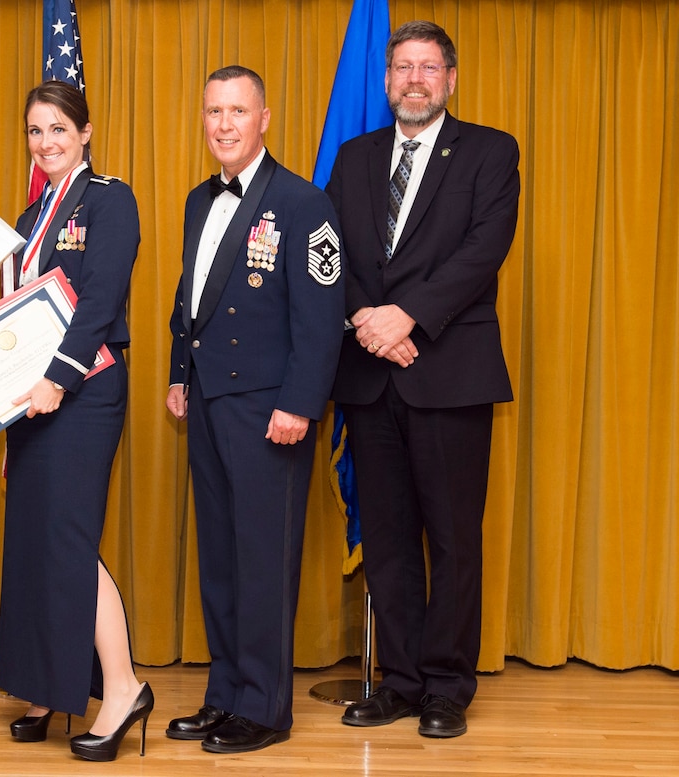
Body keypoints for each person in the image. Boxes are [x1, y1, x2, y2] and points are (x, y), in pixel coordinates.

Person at [326, 20, 520, 738]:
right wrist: (368, 321)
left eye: (428, 67)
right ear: (385, 81)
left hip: (451, 374)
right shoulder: (352, 157)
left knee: (452, 539)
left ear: (451, 78)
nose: (414, 79)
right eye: (403, 67)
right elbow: (330, 254)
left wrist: (407, 317)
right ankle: (401, 682)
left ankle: (446, 687)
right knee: (387, 540)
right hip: (369, 376)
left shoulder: (492, 153)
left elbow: (483, 251)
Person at [165, 66, 345, 754]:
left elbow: (322, 317)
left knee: (263, 558)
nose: (224, 124)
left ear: (264, 118)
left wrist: (300, 402)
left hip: (271, 408)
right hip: (208, 401)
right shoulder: (194, 200)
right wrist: (180, 373)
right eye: (213, 111)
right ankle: (224, 694)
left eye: (237, 110)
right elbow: (191, 299)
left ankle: (265, 708)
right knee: (220, 557)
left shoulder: (305, 204)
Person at [0, 80, 151, 763]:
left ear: (84, 132)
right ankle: (49, 686)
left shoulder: (110, 198)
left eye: (58, 128)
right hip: (33, 401)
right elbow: (10, 321)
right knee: (35, 539)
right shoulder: (29, 217)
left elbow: (99, 300)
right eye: (35, 130)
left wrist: (56, 378)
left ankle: (122, 687)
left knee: (67, 538)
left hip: (83, 392)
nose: (47, 141)